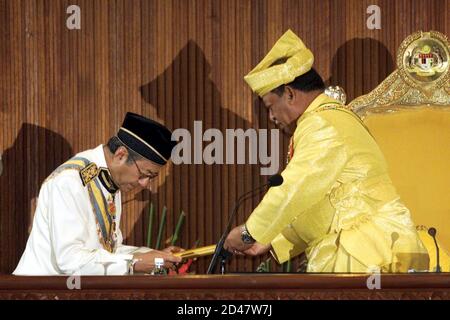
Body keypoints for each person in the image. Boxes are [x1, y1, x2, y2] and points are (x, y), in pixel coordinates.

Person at [224, 30, 429, 273]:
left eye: (270, 107)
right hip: (379, 246)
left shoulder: (321, 124)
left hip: (365, 252)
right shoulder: (331, 118)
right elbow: (327, 205)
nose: (271, 117)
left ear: (289, 94)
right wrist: (271, 240)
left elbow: (294, 188)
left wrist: (249, 233)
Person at [14, 112, 182, 275]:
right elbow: (70, 260)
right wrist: (134, 263)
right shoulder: (70, 181)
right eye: (145, 174)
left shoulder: (110, 179)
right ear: (121, 155)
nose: (145, 184)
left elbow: (107, 252)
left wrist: (154, 256)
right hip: (37, 292)